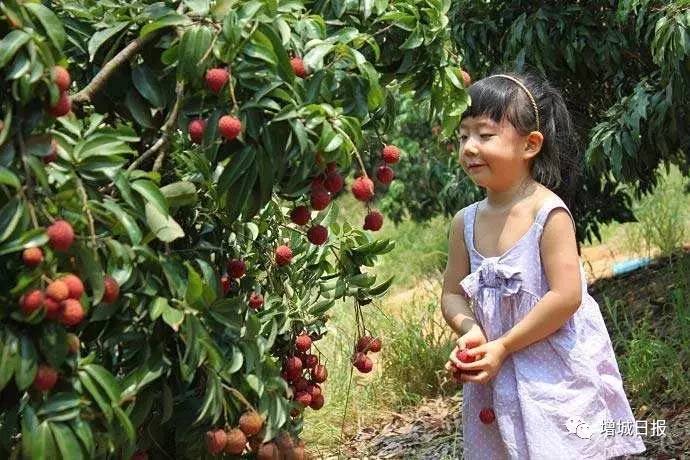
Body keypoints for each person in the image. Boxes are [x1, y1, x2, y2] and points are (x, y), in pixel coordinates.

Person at [440, 71, 646, 459]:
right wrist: (471, 333)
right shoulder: (464, 223)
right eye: (463, 135)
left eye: (484, 135)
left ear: (531, 144)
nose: (469, 147)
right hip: (497, 376)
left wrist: (503, 344)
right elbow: (452, 293)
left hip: (554, 375)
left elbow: (566, 297)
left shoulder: (548, 214)